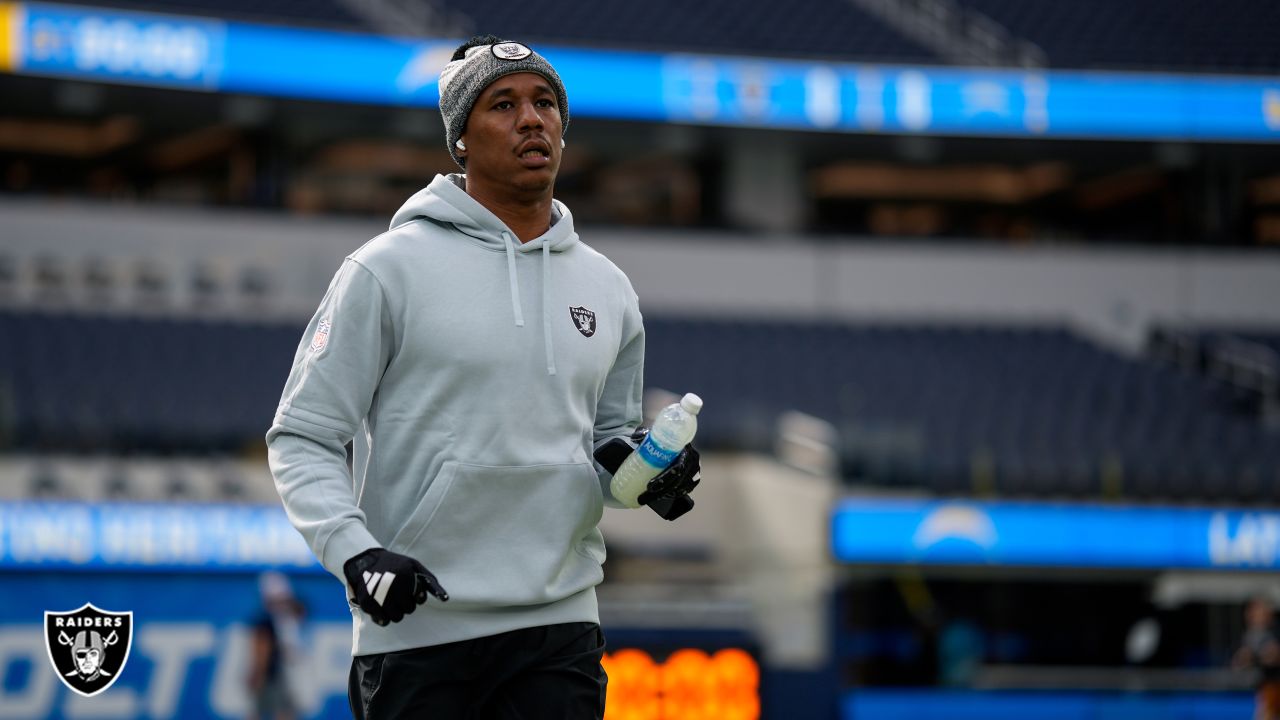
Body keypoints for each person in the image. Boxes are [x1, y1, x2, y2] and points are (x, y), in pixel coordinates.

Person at [266, 34, 702, 720]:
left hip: (559, 629)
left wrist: (649, 475)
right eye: (503, 104)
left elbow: (605, 444)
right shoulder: (385, 271)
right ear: (460, 140)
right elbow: (303, 436)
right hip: (417, 631)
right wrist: (355, 554)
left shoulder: (609, 287)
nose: (533, 119)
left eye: (545, 102)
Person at [247, 571, 306, 720]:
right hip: (274, 675)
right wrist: (258, 673)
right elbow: (262, 649)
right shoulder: (267, 620)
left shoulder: (284, 618)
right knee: (277, 711)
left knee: (279, 711)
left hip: (282, 674)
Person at [1234, 596, 1280, 720]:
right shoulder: (1249, 635)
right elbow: (1239, 660)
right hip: (1261, 688)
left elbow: (1272, 656)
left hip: (1274, 686)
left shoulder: (1274, 632)